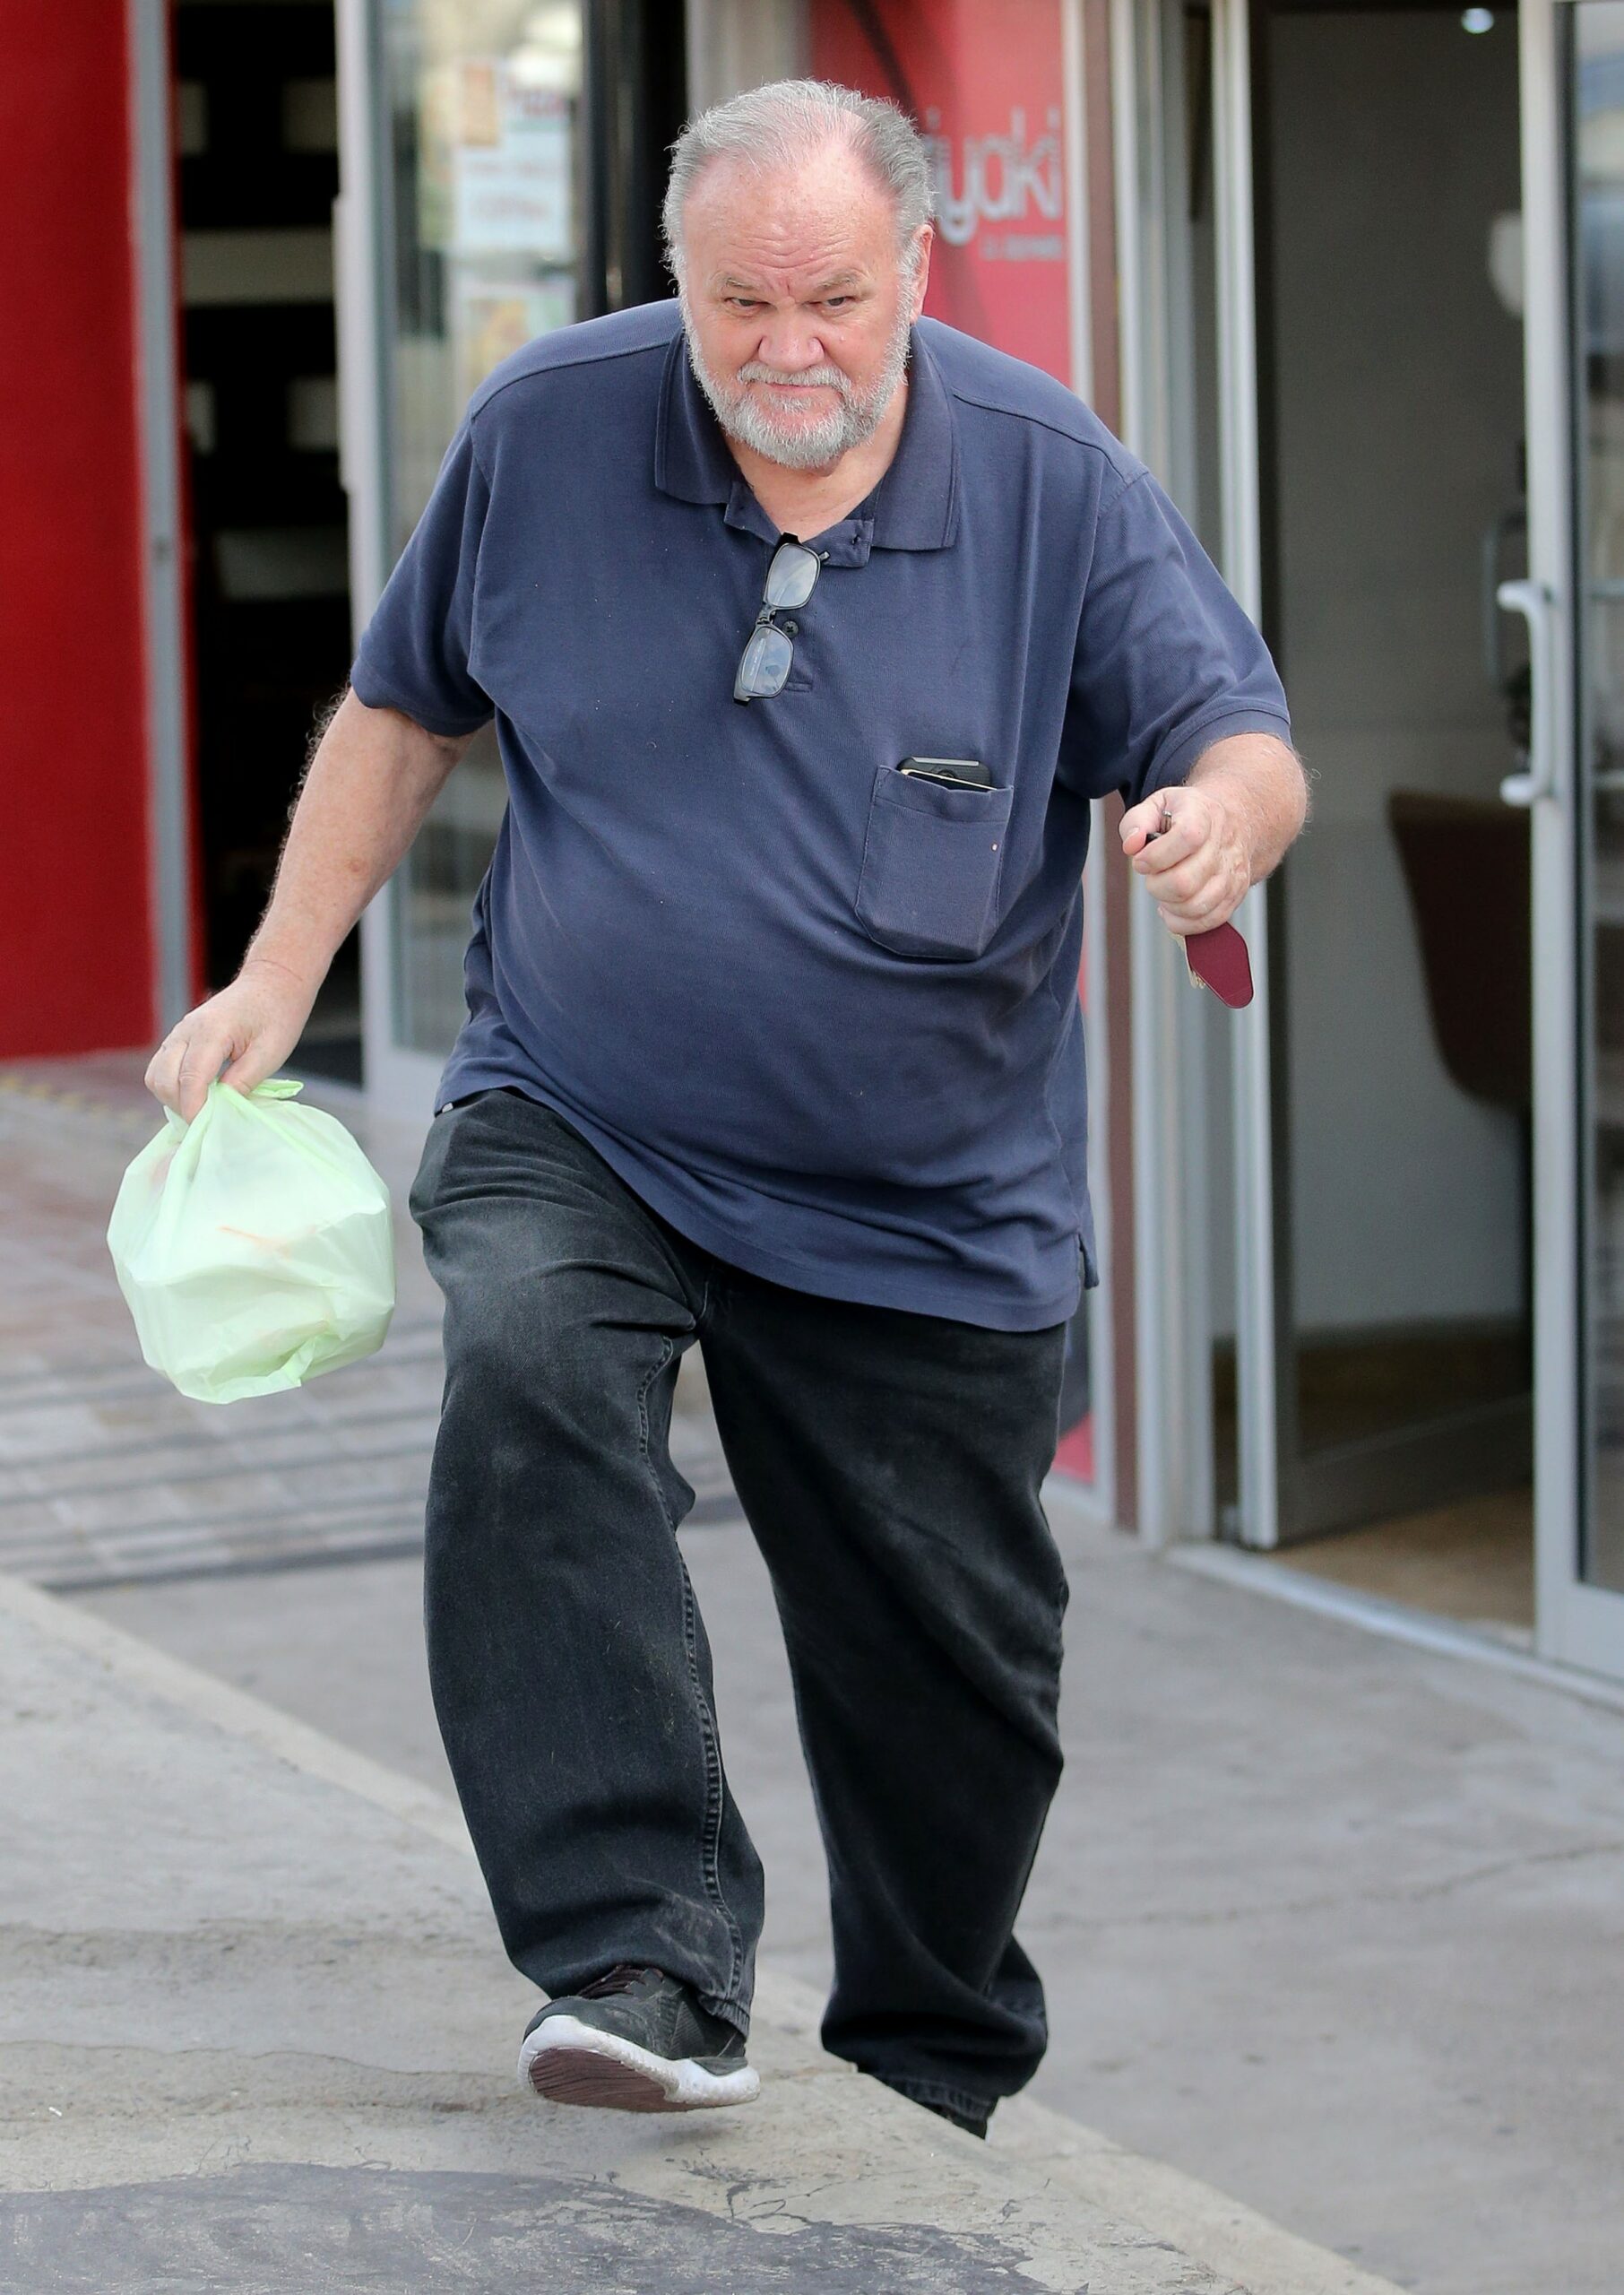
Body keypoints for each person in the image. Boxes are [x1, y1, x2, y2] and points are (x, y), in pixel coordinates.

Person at [146, 79, 1305, 2138]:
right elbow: (410, 703)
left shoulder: (1049, 479)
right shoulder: (548, 431)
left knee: (951, 1674)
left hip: (927, 1200)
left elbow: (1236, 729)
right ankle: (644, 1953)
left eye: (835, 299)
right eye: (738, 301)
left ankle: (925, 2064)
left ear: (917, 275)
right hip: (587, 1108)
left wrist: (1222, 816)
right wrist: (280, 974)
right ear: (670, 280)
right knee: (525, 1364)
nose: (788, 347)